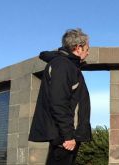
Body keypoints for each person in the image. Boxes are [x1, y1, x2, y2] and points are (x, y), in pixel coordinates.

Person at [29, 28, 92, 165]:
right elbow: (58, 103)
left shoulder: (68, 66)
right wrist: (68, 135)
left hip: (66, 134)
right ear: (78, 47)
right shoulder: (63, 65)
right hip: (65, 137)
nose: (88, 52)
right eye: (87, 48)